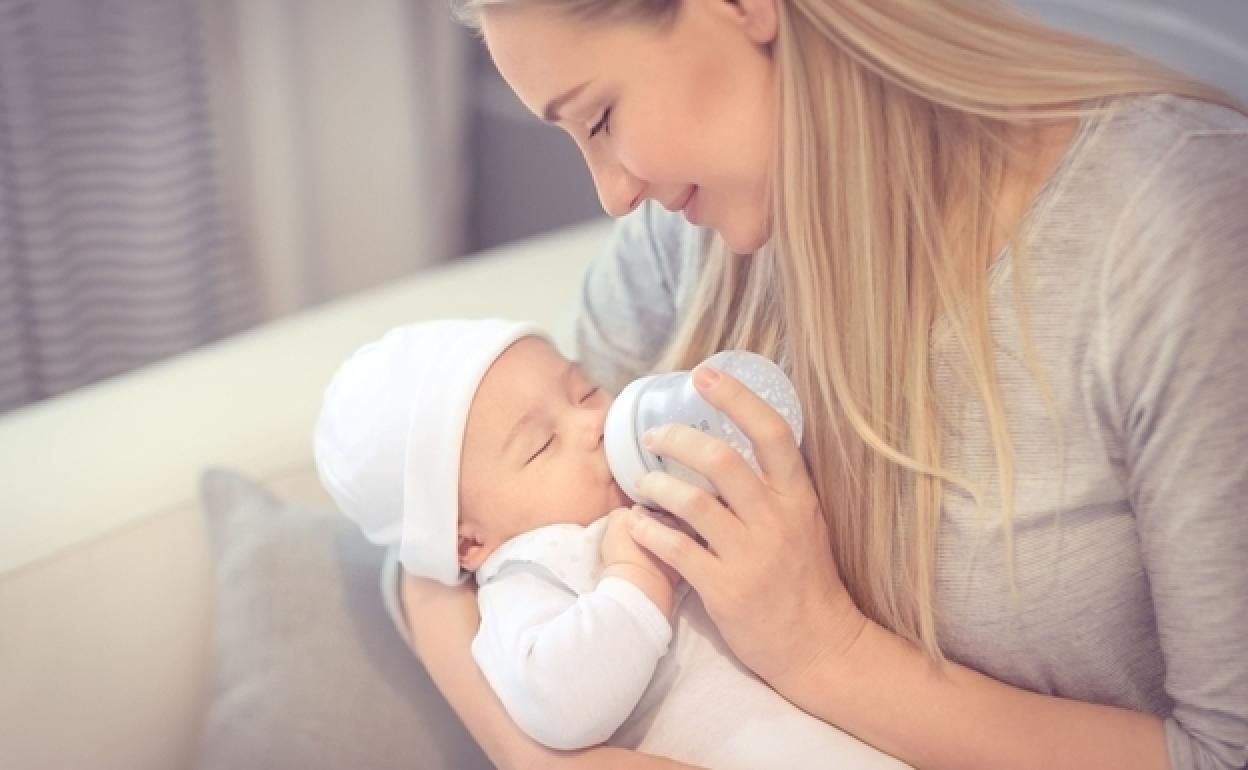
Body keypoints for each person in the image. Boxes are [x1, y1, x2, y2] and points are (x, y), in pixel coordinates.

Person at [394, 1, 1248, 769]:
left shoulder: (1179, 231)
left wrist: (821, 649)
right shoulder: (688, 240)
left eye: (602, 117)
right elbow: (443, 528)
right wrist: (550, 758)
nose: (614, 193)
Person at [314, 318, 910, 768]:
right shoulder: (527, 573)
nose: (589, 424)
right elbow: (556, 704)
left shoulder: (645, 487)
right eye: (540, 446)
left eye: (583, 392)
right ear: (469, 542)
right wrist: (636, 578)